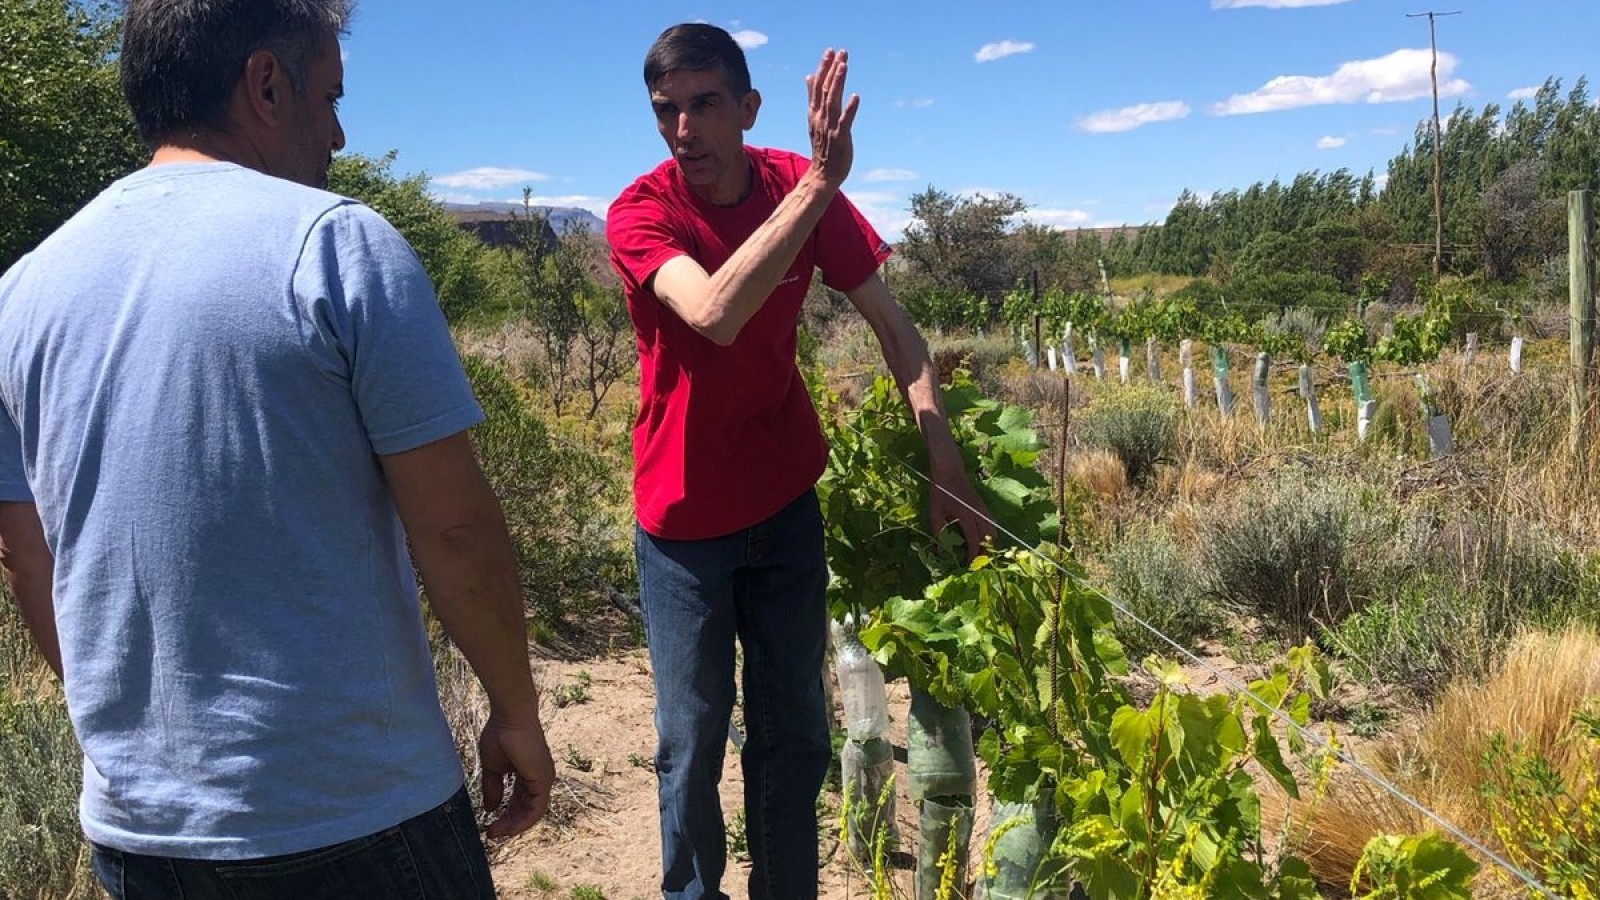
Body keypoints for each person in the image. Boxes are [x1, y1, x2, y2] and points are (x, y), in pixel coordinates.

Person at [0, 1, 554, 897]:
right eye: (330, 98)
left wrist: (134, 752)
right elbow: (453, 529)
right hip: (350, 816)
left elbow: (28, 558)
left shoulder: (21, 294)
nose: (337, 134)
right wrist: (517, 711)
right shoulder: (337, 245)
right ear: (265, 84)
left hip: (138, 835)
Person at [607, 23, 996, 900]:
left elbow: (897, 330)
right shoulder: (642, 212)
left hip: (784, 505)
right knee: (691, 741)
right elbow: (711, 312)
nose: (683, 129)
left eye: (705, 105)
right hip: (682, 522)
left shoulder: (796, 186)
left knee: (794, 734)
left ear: (748, 108)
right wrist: (820, 185)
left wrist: (947, 461)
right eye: (666, 110)